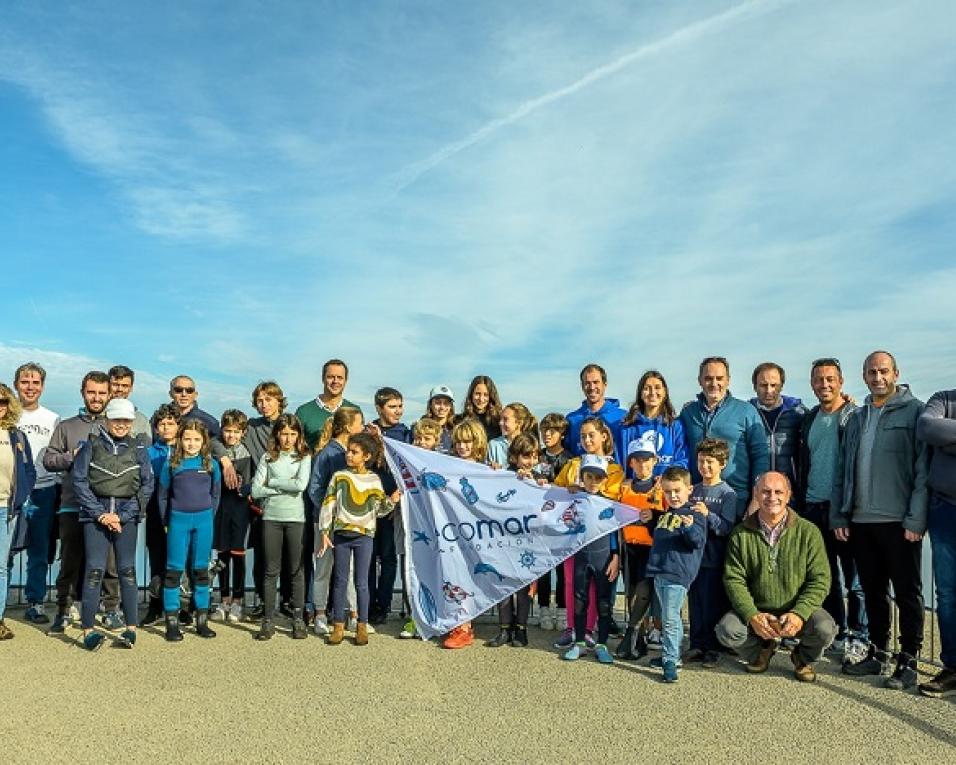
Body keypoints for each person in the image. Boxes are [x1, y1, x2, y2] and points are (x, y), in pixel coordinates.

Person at [832, 351, 929, 689]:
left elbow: (922, 470)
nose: (877, 377)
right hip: (860, 520)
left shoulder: (915, 412)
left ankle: (910, 659)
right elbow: (843, 469)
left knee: (907, 592)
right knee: (872, 591)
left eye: (883, 371)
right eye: (871, 372)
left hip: (899, 521)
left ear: (896, 373)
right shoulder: (857, 418)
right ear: (864, 376)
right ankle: (878, 652)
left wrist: (916, 519)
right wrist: (840, 513)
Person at [718, 472, 836, 683]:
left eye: (778, 492)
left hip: (796, 608)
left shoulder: (809, 532)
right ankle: (762, 650)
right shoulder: (740, 534)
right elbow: (734, 579)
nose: (772, 497)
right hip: (759, 608)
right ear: (756, 494)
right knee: (728, 631)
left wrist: (799, 613)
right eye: (765, 491)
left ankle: (802, 657)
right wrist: (752, 615)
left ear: (788, 495)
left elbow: (820, 580)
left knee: (825, 629)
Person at [797, 358, 867, 661]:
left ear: (840, 381)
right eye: (818, 380)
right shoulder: (810, 418)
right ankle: (836, 631)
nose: (824, 385)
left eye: (829, 379)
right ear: (812, 383)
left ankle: (860, 635)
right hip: (814, 506)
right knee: (825, 578)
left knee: (856, 579)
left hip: (846, 508)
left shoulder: (854, 416)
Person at [71, 398, 152, 650]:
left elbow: (147, 485)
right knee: (94, 570)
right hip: (95, 517)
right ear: (107, 420)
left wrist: (122, 516)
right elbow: (80, 480)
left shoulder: (139, 448)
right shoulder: (91, 446)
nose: (121, 425)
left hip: (126, 517)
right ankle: (88, 630)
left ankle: (130, 629)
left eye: (126, 420)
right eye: (116, 419)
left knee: (127, 571)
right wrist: (100, 514)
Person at [43, 370, 117, 634]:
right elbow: (48, 460)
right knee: (70, 561)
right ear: (83, 392)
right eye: (91, 392)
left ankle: (111, 610)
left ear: (110, 394)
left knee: (108, 562)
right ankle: (64, 610)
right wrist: (70, 456)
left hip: (107, 508)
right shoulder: (67, 426)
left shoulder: (114, 425)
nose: (96, 398)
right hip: (72, 504)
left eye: (101, 393)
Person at [319, 433, 396, 646]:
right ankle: (338, 625)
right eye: (348, 451)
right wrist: (325, 531)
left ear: (367, 456)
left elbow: (380, 510)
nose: (349, 455)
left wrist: (392, 500)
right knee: (340, 581)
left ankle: (362, 624)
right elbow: (329, 503)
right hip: (341, 535)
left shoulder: (374, 480)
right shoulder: (339, 477)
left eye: (355, 452)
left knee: (362, 582)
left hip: (364, 536)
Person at [553, 417, 624, 650]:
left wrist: (583, 488)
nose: (586, 440)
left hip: (600, 538)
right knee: (572, 580)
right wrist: (568, 489)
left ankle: (590, 629)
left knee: (596, 585)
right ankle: (572, 628)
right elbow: (554, 491)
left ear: (604, 436)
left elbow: (612, 499)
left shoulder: (614, 469)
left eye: (591, 435)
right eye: (582, 436)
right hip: (572, 537)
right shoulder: (573, 464)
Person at [680, 356, 770, 521]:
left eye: (719, 378)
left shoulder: (746, 411)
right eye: (708, 378)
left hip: (737, 499)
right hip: (697, 499)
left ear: (728, 380)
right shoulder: (688, 413)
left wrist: (757, 498)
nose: (714, 383)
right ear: (700, 381)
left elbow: (761, 455)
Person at [158, 420, 222, 641]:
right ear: (180, 440)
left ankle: (201, 621)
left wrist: (208, 516)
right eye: (187, 439)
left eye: (196, 439)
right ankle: (172, 622)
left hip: (204, 521)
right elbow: (163, 496)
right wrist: (167, 521)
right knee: (174, 570)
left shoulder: (211, 464)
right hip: (178, 521)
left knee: (201, 570)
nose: (191, 443)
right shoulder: (171, 465)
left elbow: (215, 494)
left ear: (204, 441)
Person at [251, 414, 312, 640]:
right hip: (271, 518)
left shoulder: (304, 457)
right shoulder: (268, 458)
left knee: (296, 569)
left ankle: (297, 618)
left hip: (295, 518)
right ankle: (268, 619)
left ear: (298, 436)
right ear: (277, 434)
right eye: (284, 433)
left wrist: (273, 483)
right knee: (270, 570)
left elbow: (301, 485)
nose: (288, 439)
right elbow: (256, 490)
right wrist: (278, 489)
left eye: (292, 434)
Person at [646, 466, 707, 683]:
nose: (673, 496)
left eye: (677, 491)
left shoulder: (695, 515)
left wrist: (689, 528)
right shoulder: (667, 514)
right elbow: (661, 534)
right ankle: (671, 655)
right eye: (668, 491)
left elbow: (698, 541)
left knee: (670, 618)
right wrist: (651, 519)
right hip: (660, 571)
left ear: (689, 489)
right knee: (670, 616)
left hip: (678, 573)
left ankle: (670, 658)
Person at [307, 407, 364, 636]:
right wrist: (330, 511)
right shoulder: (327, 454)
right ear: (349, 426)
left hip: (349, 523)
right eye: (360, 423)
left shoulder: (354, 454)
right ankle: (320, 613)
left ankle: (353, 614)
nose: (362, 426)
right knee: (323, 567)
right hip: (326, 523)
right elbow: (314, 488)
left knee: (349, 569)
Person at [561, 454, 620, 664]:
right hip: (581, 558)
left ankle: (602, 644)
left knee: (604, 603)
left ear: (605, 479)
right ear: (582, 477)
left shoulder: (611, 503)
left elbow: (614, 533)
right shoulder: (574, 499)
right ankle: (579, 643)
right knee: (579, 601)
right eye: (589, 477)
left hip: (603, 559)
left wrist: (616, 557)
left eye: (598, 478)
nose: (593, 482)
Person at [13, 362, 60, 625]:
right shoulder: (7, 414)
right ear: (16, 384)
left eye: (35, 383)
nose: (30, 387)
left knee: (40, 550)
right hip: (11, 493)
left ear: (42, 386)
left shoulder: (51, 418)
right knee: (5, 552)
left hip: (44, 490)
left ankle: (35, 601)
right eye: (24, 382)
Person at [916, 387, 956, 698]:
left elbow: (941, 434)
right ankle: (952, 668)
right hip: (945, 511)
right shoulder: (943, 399)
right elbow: (928, 428)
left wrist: (949, 441)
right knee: (947, 594)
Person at [684, 438, 737, 667]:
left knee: (712, 603)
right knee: (695, 603)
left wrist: (707, 515)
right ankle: (697, 643)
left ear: (722, 464)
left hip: (714, 558)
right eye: (701, 461)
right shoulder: (692, 489)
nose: (705, 466)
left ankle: (714, 648)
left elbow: (727, 527)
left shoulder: (728, 494)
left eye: (710, 462)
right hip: (693, 558)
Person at [487, 433, 540, 648]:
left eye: (533, 456)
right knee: (503, 584)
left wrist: (535, 483)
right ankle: (504, 629)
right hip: (504, 539)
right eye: (525, 456)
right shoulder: (503, 476)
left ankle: (521, 629)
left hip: (528, 542)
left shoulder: (539, 478)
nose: (529, 461)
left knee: (524, 587)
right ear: (514, 457)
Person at [614, 433, 664, 660]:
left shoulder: (661, 488)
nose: (642, 465)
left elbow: (671, 516)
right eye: (638, 460)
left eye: (647, 460)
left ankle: (632, 632)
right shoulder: (624, 488)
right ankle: (639, 637)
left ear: (654, 461)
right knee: (632, 592)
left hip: (651, 548)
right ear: (631, 462)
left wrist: (654, 516)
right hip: (629, 548)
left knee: (645, 591)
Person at [441, 418, 490, 649]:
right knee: (455, 574)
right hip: (453, 531)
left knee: (473, 575)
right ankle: (460, 625)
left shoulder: (486, 469)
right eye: (459, 442)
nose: (462, 447)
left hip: (478, 532)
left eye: (468, 442)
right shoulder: (447, 466)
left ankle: (465, 625)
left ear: (477, 442)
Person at [367, 387, 412, 625]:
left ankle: (383, 605)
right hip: (371, 504)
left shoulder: (405, 433)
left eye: (400, 406)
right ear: (379, 408)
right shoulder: (368, 430)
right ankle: (369, 602)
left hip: (394, 505)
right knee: (368, 558)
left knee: (388, 557)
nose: (398, 411)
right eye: (392, 407)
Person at [398, 417, 442, 640]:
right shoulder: (406, 461)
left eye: (427, 438)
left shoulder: (443, 462)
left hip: (436, 526)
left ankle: (436, 617)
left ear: (436, 441)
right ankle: (413, 616)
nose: (422, 442)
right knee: (411, 567)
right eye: (418, 438)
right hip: (413, 523)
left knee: (436, 569)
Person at [0, 385, 37, 640]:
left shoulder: (17, 437)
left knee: (1, 567)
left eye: (3, 401)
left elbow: (30, 471)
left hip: (6, 509)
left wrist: (21, 497)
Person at [212, 410, 253, 623]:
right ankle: (224, 599)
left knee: (238, 555)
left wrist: (245, 487)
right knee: (222, 555)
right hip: (221, 508)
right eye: (227, 431)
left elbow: (253, 480)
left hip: (241, 509)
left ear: (243, 433)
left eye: (236, 432)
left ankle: (238, 600)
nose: (231, 436)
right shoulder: (215, 450)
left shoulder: (248, 452)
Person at [533, 413, 573, 630]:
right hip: (540, 522)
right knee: (542, 568)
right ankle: (543, 608)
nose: (547, 435)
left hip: (562, 523)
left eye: (552, 431)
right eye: (544, 431)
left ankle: (563, 609)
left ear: (562, 433)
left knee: (562, 570)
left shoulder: (570, 459)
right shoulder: (536, 456)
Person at [142, 404, 180, 626]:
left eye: (171, 423)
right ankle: (155, 606)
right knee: (157, 559)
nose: (166, 427)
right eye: (162, 424)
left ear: (178, 426)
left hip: (181, 509)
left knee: (178, 560)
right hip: (156, 511)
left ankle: (180, 606)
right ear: (156, 428)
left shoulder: (186, 450)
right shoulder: (148, 453)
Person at [616, 370, 688, 476]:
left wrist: (666, 478)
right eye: (646, 388)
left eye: (657, 388)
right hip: (634, 490)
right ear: (640, 393)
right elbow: (620, 463)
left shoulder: (675, 426)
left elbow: (683, 460)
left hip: (666, 489)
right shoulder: (627, 428)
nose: (652, 393)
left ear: (664, 392)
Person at [750, 362, 806, 487]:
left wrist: (844, 403)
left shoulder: (798, 412)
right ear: (755, 387)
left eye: (774, 385)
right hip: (757, 490)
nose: (769, 390)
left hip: (790, 490)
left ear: (781, 386)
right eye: (763, 385)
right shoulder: (746, 413)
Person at [564, 363, 627, 462]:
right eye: (587, 383)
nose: (592, 387)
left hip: (615, 475)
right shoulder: (572, 420)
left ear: (605, 385)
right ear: (582, 386)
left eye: (596, 382)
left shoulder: (622, 417)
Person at [295, 359, 361, 450]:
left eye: (340, 377)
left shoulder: (354, 411)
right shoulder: (303, 412)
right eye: (331, 377)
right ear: (323, 378)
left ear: (346, 380)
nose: (335, 381)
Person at [487, 402, 537, 468]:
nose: (500, 423)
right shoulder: (494, 445)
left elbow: (536, 471)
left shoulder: (531, 444)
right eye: (501, 419)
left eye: (505, 419)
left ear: (519, 423)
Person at [107, 365, 151, 440]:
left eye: (125, 386)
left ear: (131, 388)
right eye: (115, 385)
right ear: (108, 385)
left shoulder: (141, 420)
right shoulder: (98, 416)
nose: (120, 389)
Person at [458, 375, 503, 439]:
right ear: (471, 395)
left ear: (491, 397)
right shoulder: (460, 420)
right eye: (477, 394)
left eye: (486, 395)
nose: (481, 399)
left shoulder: (499, 421)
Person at [425, 385, 456, 453]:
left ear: (451, 406)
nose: (442, 407)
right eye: (438, 403)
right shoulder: (421, 429)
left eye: (446, 403)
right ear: (430, 404)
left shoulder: (456, 430)